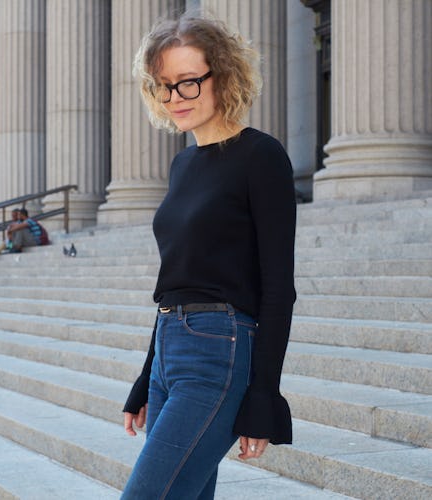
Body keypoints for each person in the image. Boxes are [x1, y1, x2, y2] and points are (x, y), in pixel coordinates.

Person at [121, 12, 297, 500]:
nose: (174, 98)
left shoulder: (260, 157)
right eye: (163, 86)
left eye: (188, 82)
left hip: (219, 351)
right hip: (169, 351)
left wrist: (264, 393)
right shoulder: (182, 165)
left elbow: (279, 286)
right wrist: (144, 376)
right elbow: (177, 278)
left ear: (224, 75)